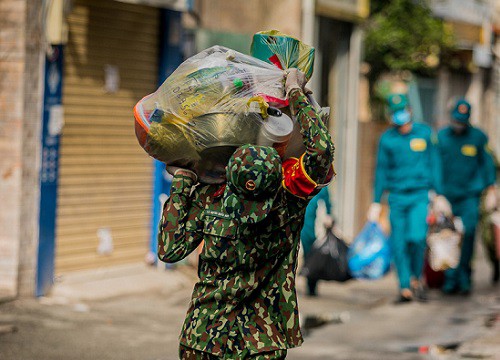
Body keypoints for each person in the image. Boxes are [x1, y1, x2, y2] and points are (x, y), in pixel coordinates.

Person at [158, 68, 334, 359]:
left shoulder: (208, 198)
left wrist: (182, 182)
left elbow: (169, 250)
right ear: (279, 175)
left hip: (202, 338)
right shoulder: (288, 203)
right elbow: (322, 151)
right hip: (263, 343)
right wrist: (295, 94)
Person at [367, 93, 443, 304]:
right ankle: (404, 286)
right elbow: (381, 171)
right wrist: (375, 201)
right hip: (397, 197)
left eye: (403, 110)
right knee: (399, 242)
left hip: (420, 195)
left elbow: (435, 163)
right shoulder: (387, 139)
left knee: (417, 238)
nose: (400, 115)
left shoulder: (425, 133)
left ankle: (417, 278)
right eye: (395, 112)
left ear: (409, 110)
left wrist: (439, 193)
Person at [436, 99, 497, 295]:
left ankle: (464, 277)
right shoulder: (441, 138)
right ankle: (450, 278)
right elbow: (434, 167)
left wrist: (492, 190)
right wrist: (437, 194)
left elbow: (487, 165)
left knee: (468, 234)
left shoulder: (478, 137)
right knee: (448, 237)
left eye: (463, 121)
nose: (459, 125)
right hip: (447, 197)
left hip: (470, 197)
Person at [300, 186, 333, 296]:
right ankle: (310, 284)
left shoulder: (322, 185)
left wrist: (328, 216)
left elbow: (327, 201)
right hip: (305, 227)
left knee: (315, 256)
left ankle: (312, 285)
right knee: (307, 255)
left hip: (317, 228)